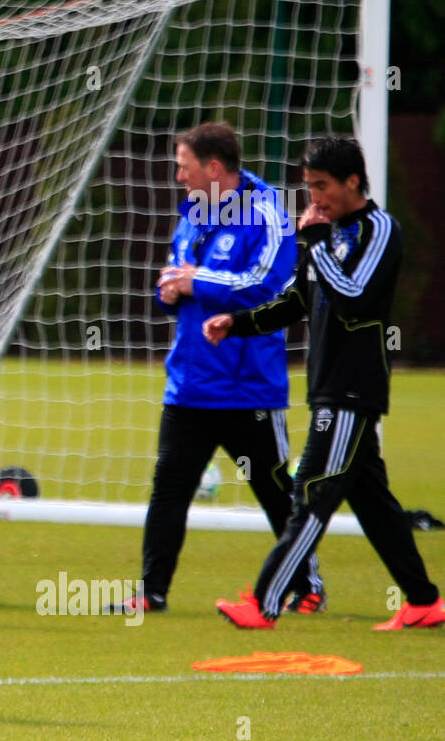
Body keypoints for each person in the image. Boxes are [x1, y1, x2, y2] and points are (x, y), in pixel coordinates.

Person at [208, 137, 444, 630]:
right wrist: (239, 322)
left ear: (353, 182)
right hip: (328, 388)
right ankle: (424, 602)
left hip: (352, 390)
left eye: (322, 186)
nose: (313, 197)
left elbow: (354, 298)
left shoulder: (379, 230)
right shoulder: (326, 232)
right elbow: (298, 300)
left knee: (310, 491)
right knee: (374, 505)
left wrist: (315, 243)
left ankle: (264, 602)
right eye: (308, 186)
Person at [104, 122, 322, 615]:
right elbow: (178, 279)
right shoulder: (193, 217)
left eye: (185, 166)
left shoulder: (266, 214)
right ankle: (152, 592)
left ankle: (309, 587)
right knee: (169, 489)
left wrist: (195, 281)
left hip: (248, 387)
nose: (178, 175)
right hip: (190, 382)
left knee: (274, 491)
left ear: (215, 168)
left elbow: (269, 284)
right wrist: (169, 292)